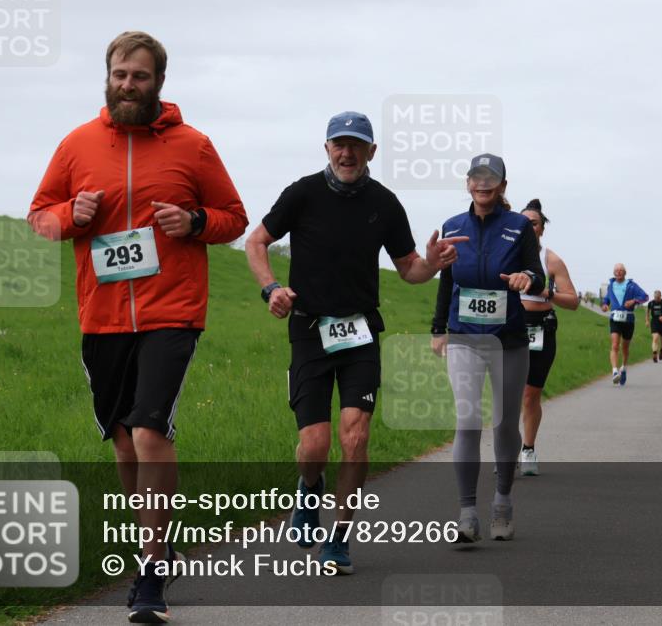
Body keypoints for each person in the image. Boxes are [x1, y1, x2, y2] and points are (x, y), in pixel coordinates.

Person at [28, 31, 249, 623]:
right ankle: (158, 541)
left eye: (140, 76)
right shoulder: (77, 144)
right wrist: (69, 216)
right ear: (108, 77)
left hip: (172, 309)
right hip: (102, 315)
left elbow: (233, 218)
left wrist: (195, 220)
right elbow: (39, 217)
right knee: (123, 441)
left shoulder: (193, 146)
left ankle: (150, 571)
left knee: (149, 430)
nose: (129, 85)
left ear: (159, 83)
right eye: (121, 74)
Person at [244, 111, 465, 575]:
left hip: (360, 332)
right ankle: (309, 489)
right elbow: (256, 241)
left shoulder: (384, 203)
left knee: (356, 435)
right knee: (314, 445)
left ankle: (339, 538)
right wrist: (271, 288)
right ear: (326, 148)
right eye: (339, 144)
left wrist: (432, 263)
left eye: (356, 145)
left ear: (371, 152)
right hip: (309, 330)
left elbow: (409, 269)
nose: (347, 153)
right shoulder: (302, 193)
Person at [431, 154, 545, 543]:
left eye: (490, 178)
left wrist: (525, 278)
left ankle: (502, 501)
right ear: (468, 184)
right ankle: (466, 514)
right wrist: (438, 328)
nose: (483, 183)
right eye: (476, 177)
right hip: (464, 336)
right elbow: (446, 281)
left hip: (508, 340)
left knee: (504, 423)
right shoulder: (452, 226)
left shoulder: (519, 227)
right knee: (466, 420)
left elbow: (537, 274)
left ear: (502, 186)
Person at [518, 199, 580, 476]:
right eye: (523, 223)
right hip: (509, 327)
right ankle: (505, 449)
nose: (528, 227)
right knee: (506, 394)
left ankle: (528, 448)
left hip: (540, 328)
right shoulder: (505, 254)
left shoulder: (550, 260)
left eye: (533, 223)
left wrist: (546, 293)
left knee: (530, 394)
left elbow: (573, 301)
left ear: (542, 228)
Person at [599, 264, 649, 385]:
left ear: (625, 272)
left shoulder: (631, 285)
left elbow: (645, 296)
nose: (618, 272)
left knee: (625, 347)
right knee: (615, 345)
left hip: (628, 320)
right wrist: (605, 305)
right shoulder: (611, 285)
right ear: (614, 272)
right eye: (616, 270)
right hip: (615, 318)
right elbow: (606, 299)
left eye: (621, 270)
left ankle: (624, 368)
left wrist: (634, 301)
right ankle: (615, 372)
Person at [646, 290, 662, 362]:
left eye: (658, 297)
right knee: (655, 338)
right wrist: (647, 321)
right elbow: (647, 313)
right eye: (655, 297)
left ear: (660, 296)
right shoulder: (651, 303)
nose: (656, 299)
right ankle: (654, 353)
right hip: (654, 322)